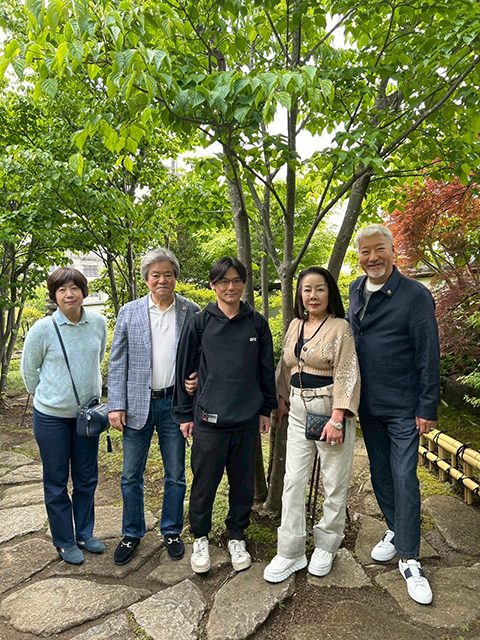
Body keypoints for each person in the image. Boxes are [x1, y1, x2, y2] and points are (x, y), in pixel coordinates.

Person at [349, 224, 440, 605]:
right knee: (380, 473)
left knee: (404, 477)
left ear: (392, 250)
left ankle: (410, 558)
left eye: (379, 249)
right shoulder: (355, 289)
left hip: (403, 404)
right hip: (368, 404)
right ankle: (394, 528)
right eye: (365, 251)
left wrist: (427, 405)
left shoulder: (415, 295)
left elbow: (428, 352)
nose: (373, 257)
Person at [173, 257, 277, 574]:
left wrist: (266, 409)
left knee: (242, 485)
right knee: (204, 483)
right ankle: (200, 537)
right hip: (208, 420)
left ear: (244, 284)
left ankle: (236, 536)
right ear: (213, 285)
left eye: (236, 281)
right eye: (223, 281)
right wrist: (184, 414)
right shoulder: (199, 323)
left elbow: (266, 369)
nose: (230, 287)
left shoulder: (257, 324)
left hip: (246, 419)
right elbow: (184, 370)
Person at [263, 267, 360, 583]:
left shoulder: (340, 328)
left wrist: (338, 417)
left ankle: (326, 545)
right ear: (299, 295)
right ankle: (290, 551)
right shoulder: (295, 325)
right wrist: (280, 397)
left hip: (329, 409)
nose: (313, 295)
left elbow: (347, 373)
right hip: (297, 408)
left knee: (334, 481)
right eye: (307, 289)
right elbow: (285, 365)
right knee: (293, 480)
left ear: (330, 293)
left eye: (320, 289)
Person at [108, 248, 199, 565]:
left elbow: (201, 355)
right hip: (137, 404)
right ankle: (132, 532)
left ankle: (171, 530)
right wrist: (116, 405)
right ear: (146, 279)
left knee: (175, 474)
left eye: (168, 274)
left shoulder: (190, 310)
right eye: (155, 275)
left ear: (175, 277)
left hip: (175, 404)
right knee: (131, 474)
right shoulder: (129, 312)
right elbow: (117, 361)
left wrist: (196, 378)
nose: (162, 280)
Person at [21, 267, 108, 565]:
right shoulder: (42, 329)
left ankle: (84, 533)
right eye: (61, 289)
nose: (69, 294)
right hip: (51, 419)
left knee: (86, 478)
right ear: (54, 295)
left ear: (84, 292)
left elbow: (97, 359)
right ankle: (64, 540)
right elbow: (28, 372)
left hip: (88, 417)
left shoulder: (98, 324)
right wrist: (50, 398)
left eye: (74, 288)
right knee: (56, 480)